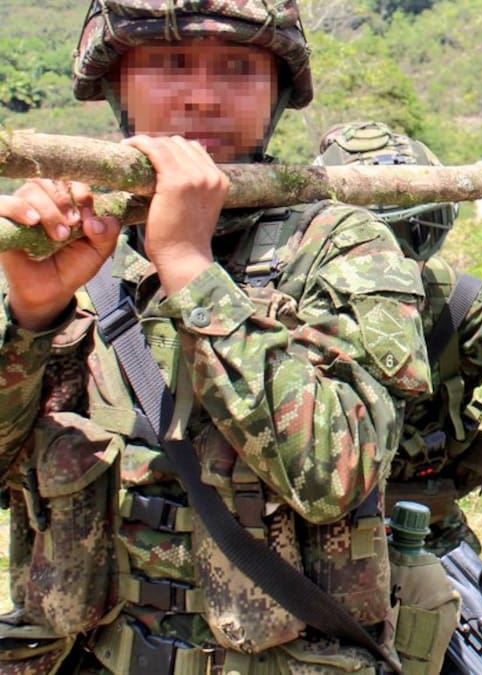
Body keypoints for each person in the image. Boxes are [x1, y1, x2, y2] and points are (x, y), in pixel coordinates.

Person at [0, 3, 433, 673]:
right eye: (169, 65)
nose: (201, 95)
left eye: (237, 68)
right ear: (119, 84)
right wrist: (31, 317)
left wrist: (188, 268)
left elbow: (339, 472)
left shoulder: (343, 245)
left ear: (276, 93)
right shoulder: (71, 235)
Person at [315, 121, 482, 567]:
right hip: (311, 548)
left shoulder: (461, 305)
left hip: (429, 540)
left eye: (420, 225)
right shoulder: (290, 304)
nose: (404, 251)